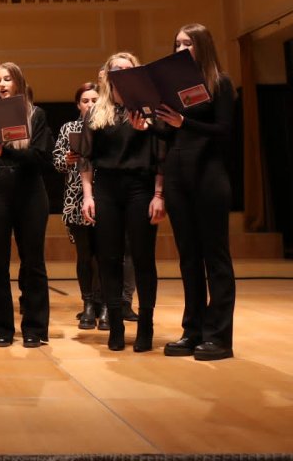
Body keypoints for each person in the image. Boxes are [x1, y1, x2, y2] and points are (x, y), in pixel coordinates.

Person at [155, 23, 238, 362]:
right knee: (188, 258)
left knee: (214, 258)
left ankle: (219, 336)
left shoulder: (220, 82)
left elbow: (224, 131)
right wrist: (147, 124)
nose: (179, 49)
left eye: (186, 43)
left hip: (208, 175)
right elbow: (167, 135)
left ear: (202, 45)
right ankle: (193, 330)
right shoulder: (171, 89)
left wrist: (183, 123)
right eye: (176, 43)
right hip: (177, 175)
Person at [80, 52, 165, 352]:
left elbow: (160, 157)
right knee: (108, 258)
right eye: (116, 69)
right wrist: (88, 197)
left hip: (140, 187)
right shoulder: (96, 112)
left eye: (128, 69)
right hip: (106, 189)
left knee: (142, 258)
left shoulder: (149, 109)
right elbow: (86, 161)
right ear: (107, 75)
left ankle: (146, 325)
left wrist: (158, 195)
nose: (122, 73)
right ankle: (115, 325)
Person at [0, 63, 54, 348]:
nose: (2, 84)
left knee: (32, 263)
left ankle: (34, 327)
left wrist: (4, 151)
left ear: (18, 82)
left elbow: (43, 160)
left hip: (30, 192)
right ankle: (0, 327)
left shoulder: (36, 114)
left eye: (7, 79)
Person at [53, 82, 104, 331]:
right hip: (75, 199)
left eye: (95, 99)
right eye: (86, 100)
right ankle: (88, 305)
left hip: (104, 195)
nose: (90, 104)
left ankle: (105, 304)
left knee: (104, 254)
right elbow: (56, 163)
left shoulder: (107, 126)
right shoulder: (68, 128)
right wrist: (67, 159)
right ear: (78, 105)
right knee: (84, 254)